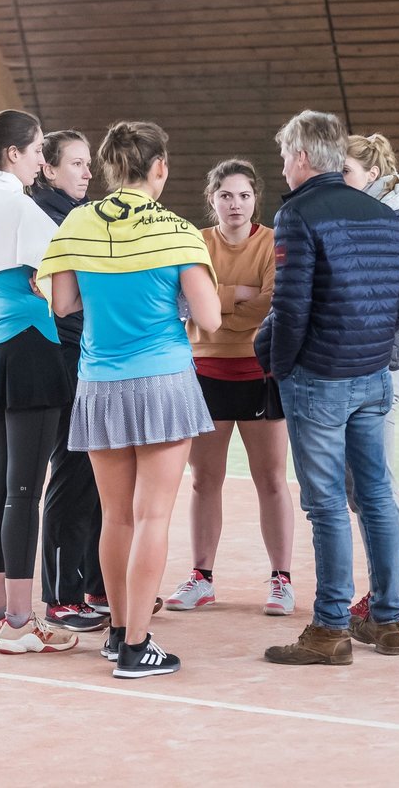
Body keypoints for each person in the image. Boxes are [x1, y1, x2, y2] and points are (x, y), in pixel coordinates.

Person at [37, 121, 221, 679]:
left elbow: (62, 303)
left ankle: (118, 634)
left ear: (111, 166)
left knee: (115, 518)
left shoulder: (76, 223)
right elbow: (210, 318)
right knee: (153, 517)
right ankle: (140, 647)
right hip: (164, 381)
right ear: (159, 167)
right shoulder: (180, 230)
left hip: (99, 382)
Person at [256, 110, 399, 666]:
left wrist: (276, 365)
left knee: (326, 506)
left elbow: (291, 306)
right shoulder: (380, 211)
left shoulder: (296, 214)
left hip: (319, 382)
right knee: (375, 496)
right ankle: (387, 618)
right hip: (374, 377)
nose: (282, 166)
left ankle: (329, 629)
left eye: (283, 156)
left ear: (302, 157)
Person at [0, 109, 77, 655]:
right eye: (38, 150)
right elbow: (71, 265)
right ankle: (22, 624)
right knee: (25, 490)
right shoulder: (17, 204)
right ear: (13, 155)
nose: (42, 160)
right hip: (28, 347)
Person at [166, 159, 295, 616]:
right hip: (204, 372)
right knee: (204, 480)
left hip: (260, 373)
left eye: (243, 195)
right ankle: (202, 578)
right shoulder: (196, 243)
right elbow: (187, 302)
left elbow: (274, 301)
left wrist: (218, 300)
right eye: (226, 195)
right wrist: (240, 294)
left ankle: (281, 579)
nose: (235, 203)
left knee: (272, 480)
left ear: (254, 198)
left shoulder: (273, 242)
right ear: (212, 199)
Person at [341, 133, 399, 632]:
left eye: (346, 172)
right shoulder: (363, 213)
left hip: (380, 369)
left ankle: (389, 602)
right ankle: (381, 596)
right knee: (360, 489)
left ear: (371, 175)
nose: (339, 181)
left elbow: (396, 293)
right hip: (355, 366)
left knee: (377, 489)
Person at [30, 130, 108, 634]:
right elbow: (58, 296)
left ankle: (98, 585)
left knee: (100, 476)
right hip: (64, 359)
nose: (86, 172)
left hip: (93, 357)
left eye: (88, 164)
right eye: (76, 164)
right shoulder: (44, 218)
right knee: (72, 474)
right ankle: (61, 596)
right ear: (49, 170)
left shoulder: (79, 216)